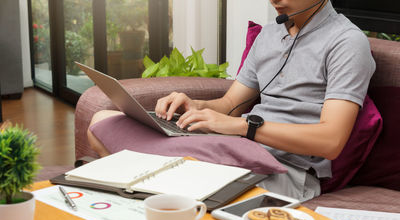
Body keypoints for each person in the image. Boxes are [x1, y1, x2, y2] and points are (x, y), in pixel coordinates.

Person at [87, 0, 375, 201]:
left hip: (284, 170)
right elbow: (228, 105)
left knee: (157, 168)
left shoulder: (346, 43)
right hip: (236, 147)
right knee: (103, 122)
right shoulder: (270, 33)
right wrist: (195, 106)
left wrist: (241, 127)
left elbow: (331, 141)